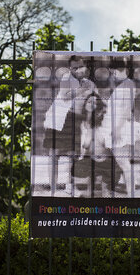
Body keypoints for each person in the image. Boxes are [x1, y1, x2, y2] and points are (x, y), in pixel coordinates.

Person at [42, 55, 95, 197]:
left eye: (80, 67)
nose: (77, 70)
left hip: (75, 119)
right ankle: (53, 189)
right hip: (58, 118)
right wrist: (82, 90)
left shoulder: (89, 83)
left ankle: (69, 185)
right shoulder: (67, 77)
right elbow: (65, 96)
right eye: (74, 67)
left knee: (73, 155)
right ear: (70, 68)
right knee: (54, 155)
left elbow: (93, 100)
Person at [101, 57, 140, 197]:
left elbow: (126, 108)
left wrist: (116, 129)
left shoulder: (128, 84)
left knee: (124, 164)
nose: (114, 75)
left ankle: (131, 195)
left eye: (114, 72)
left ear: (121, 70)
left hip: (120, 129)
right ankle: (128, 193)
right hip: (117, 127)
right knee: (121, 163)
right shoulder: (123, 85)